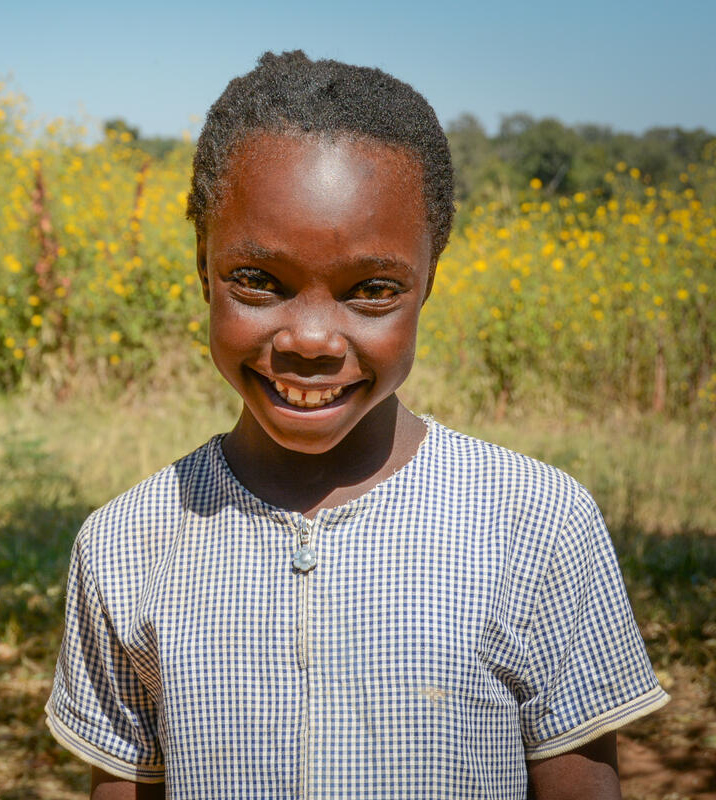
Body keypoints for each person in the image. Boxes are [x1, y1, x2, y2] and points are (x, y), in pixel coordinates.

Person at [44, 51, 668, 799]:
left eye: (371, 290)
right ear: (202, 267)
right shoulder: (126, 546)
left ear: (428, 280)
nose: (310, 339)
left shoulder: (536, 525)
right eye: (257, 282)